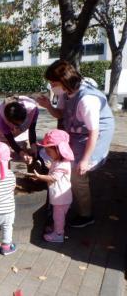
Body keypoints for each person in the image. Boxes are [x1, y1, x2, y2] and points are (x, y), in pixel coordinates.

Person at [37, 60, 115, 228]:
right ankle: (67, 200)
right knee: (61, 160)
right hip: (78, 132)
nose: (51, 86)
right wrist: (48, 105)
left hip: (95, 135)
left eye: (53, 83)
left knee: (78, 173)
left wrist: (85, 160)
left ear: (64, 81)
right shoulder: (66, 92)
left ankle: (86, 215)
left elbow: (94, 132)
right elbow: (60, 114)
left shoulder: (87, 100)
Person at [31, 129, 74, 242]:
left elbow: (54, 178)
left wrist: (40, 176)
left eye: (49, 152)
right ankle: (56, 228)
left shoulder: (62, 164)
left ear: (58, 149)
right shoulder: (60, 161)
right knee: (59, 216)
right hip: (61, 197)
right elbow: (56, 172)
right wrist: (51, 167)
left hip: (61, 198)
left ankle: (58, 234)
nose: (48, 154)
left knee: (58, 217)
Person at [0, 95, 39, 164]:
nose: (20, 125)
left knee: (29, 151)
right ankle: (5, 172)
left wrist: (33, 145)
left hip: (21, 131)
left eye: (23, 122)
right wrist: (21, 153)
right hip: (1, 133)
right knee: (4, 154)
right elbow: (10, 140)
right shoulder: (2, 119)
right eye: (17, 124)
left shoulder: (32, 109)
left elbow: (32, 129)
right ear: (9, 121)